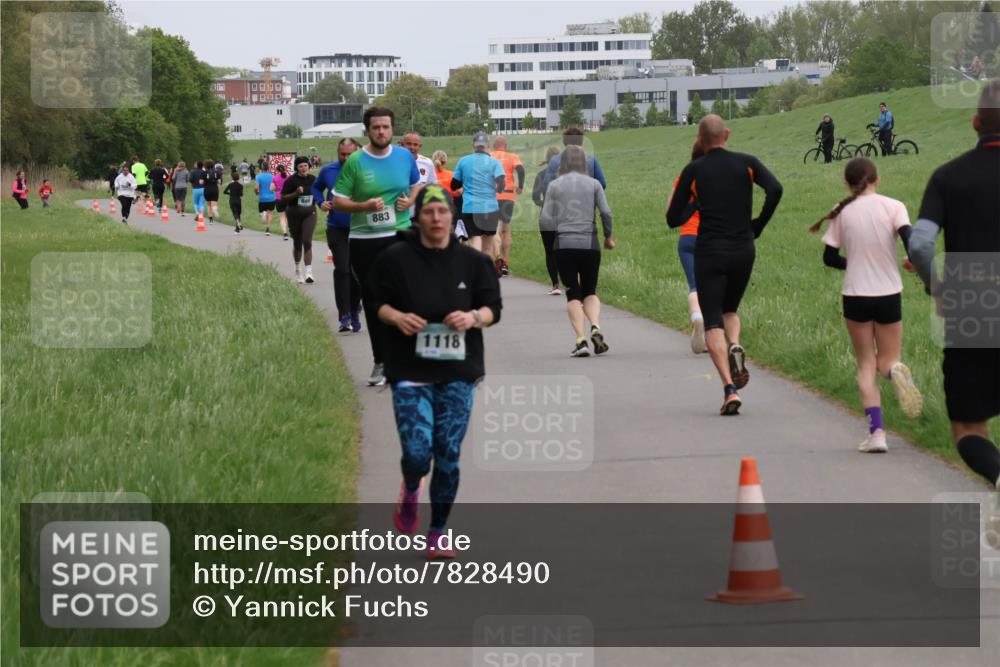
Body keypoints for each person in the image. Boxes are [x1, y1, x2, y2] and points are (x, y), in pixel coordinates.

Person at [368, 184, 501, 559]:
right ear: (418, 217)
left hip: (459, 370)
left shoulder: (474, 262)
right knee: (416, 453)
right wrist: (396, 317)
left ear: (452, 216)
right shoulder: (395, 258)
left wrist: (473, 318)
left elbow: (493, 308)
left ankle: (438, 531)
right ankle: (411, 484)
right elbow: (375, 301)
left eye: (443, 212)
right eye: (429, 212)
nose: (437, 219)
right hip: (410, 368)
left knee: (447, 452)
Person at [910, 79, 1000, 540]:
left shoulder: (948, 177)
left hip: (972, 306)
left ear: (975, 123)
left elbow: (921, 244)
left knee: (968, 425)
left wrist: (937, 286)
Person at [666, 115, 783, 416]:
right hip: (743, 249)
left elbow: (673, 219)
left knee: (713, 321)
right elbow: (776, 189)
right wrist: (758, 224)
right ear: (726, 135)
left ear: (700, 139)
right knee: (730, 309)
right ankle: (735, 344)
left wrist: (696, 203)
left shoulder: (693, 170)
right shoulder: (747, 163)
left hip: (710, 252)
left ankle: (730, 388)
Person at [811, 157, 923, 453]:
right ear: (877, 179)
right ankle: (895, 370)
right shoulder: (894, 206)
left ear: (846, 183)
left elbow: (829, 258)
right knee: (888, 359)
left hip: (856, 296)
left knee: (865, 364)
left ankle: (877, 435)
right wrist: (912, 262)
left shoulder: (842, 210)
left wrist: (854, 264)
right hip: (888, 293)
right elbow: (911, 241)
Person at [332, 106, 420, 387]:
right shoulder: (355, 161)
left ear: (392, 129)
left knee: (404, 296)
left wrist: (411, 200)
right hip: (365, 240)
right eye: (376, 127)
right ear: (367, 130)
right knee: (374, 301)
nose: (381, 132)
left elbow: (417, 184)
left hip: (400, 233)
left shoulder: (404, 156)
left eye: (385, 127)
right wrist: (364, 206)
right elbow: (338, 201)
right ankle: (381, 361)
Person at [542, 145, 614, 357]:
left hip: (564, 245)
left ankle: (581, 340)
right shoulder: (594, 184)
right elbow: (606, 213)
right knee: (590, 291)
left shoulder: (554, 186)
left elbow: (545, 219)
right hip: (590, 243)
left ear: (563, 163)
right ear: (584, 162)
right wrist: (608, 236)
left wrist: (554, 235)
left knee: (573, 293)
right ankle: (595, 326)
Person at [314, 138, 363, 332]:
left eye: (350, 154)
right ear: (337, 153)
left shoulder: (366, 170)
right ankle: (344, 314)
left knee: (357, 272)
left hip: (361, 228)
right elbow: (316, 187)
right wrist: (320, 202)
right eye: (342, 154)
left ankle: (355, 308)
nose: (346, 158)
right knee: (342, 269)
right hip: (336, 227)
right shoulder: (328, 170)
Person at [665, 141, 707, 354]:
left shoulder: (684, 176)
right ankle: (713, 336)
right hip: (710, 237)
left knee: (694, 285)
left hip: (688, 237)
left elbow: (669, 210)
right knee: (713, 287)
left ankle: (696, 317)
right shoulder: (717, 177)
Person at [451, 132, 505, 256]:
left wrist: (466, 182)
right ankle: (485, 267)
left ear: (473, 146)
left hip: (470, 207)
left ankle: (475, 265)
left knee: (475, 238)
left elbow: (454, 185)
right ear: (488, 145)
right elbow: (501, 185)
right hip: (490, 208)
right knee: (488, 244)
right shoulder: (495, 162)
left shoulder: (463, 161)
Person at [491, 136, 525, 276]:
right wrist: (520, 187)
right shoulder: (512, 156)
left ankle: (497, 257)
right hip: (509, 195)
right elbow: (521, 170)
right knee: (506, 229)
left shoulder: (489, 156)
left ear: (494, 146)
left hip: (493, 195)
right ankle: (505, 262)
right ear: (505, 145)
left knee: (494, 229)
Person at [281, 156, 319, 284]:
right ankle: (297, 269)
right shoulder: (291, 180)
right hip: (294, 213)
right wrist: (296, 193)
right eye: (301, 166)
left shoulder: (313, 179)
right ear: (296, 168)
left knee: (307, 241)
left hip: (310, 212)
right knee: (297, 243)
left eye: (305, 166)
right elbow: (283, 198)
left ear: (309, 166)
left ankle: (309, 272)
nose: (303, 168)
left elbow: (318, 192)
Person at [532, 145, 562, 295]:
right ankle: (571, 283)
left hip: (546, 217)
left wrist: (544, 205)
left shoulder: (540, 174)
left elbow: (535, 197)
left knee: (550, 252)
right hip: (565, 216)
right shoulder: (565, 174)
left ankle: (555, 285)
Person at [542, 128, 607, 193]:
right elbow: (602, 184)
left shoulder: (554, 161)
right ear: (581, 142)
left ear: (564, 142)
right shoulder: (591, 160)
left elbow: (546, 185)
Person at [400, 131, 437, 222]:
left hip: (419, 214)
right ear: (402, 144)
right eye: (408, 144)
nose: (412, 147)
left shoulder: (427, 163)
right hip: (398, 213)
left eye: (415, 144)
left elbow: (433, 187)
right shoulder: (394, 161)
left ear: (420, 146)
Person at [432, 150, 465, 239]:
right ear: (445, 161)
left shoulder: (430, 175)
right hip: (449, 207)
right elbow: (457, 192)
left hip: (433, 207)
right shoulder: (451, 175)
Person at [255, 162, 277, 235]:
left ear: (262, 168)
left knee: (262, 212)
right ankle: (268, 230)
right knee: (270, 213)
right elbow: (274, 187)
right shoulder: (273, 177)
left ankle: (263, 213)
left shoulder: (258, 177)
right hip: (271, 198)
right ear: (268, 168)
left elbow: (256, 188)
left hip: (262, 198)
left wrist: (256, 193)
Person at [273, 164, 290, 240]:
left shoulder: (275, 178)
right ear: (284, 169)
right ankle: (288, 231)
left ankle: (285, 233)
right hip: (288, 198)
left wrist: (277, 189)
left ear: (277, 170)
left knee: (282, 217)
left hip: (279, 198)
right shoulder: (288, 177)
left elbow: (271, 188)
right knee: (287, 216)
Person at [203, 158, 221, 224]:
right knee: (214, 202)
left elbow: (201, 182)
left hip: (207, 189)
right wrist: (218, 188)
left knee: (208, 204)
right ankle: (214, 209)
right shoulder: (217, 172)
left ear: (206, 165)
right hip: (214, 188)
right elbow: (219, 182)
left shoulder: (204, 172)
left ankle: (211, 220)